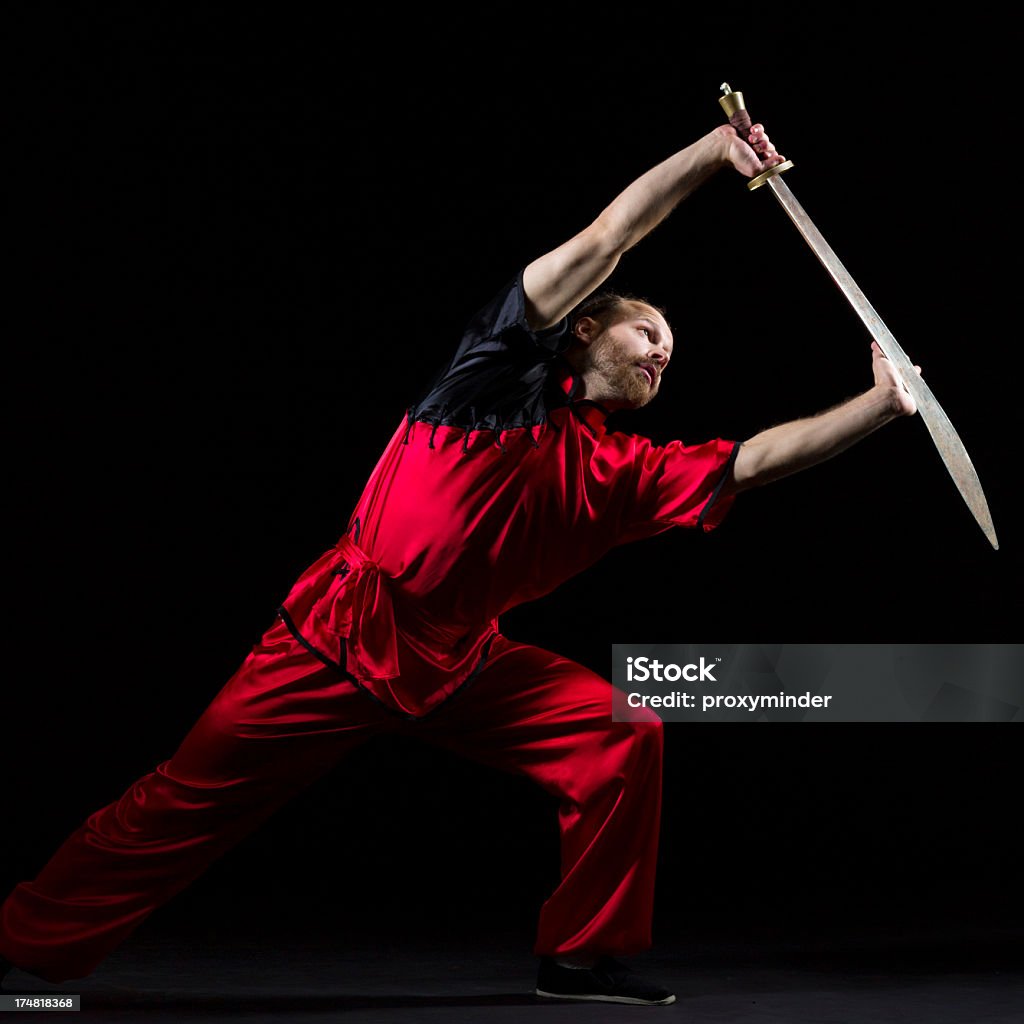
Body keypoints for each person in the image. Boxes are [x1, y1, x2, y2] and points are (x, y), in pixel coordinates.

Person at [0, 119, 919, 1007]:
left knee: (622, 734)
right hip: (339, 635)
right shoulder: (492, 374)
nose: (660, 355)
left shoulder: (625, 473)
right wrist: (718, 154)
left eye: (670, 358)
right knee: (178, 801)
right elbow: (612, 235)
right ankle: (26, 939)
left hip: (461, 660)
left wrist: (880, 404)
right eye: (647, 335)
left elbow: (752, 461)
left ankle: (579, 959)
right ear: (588, 327)